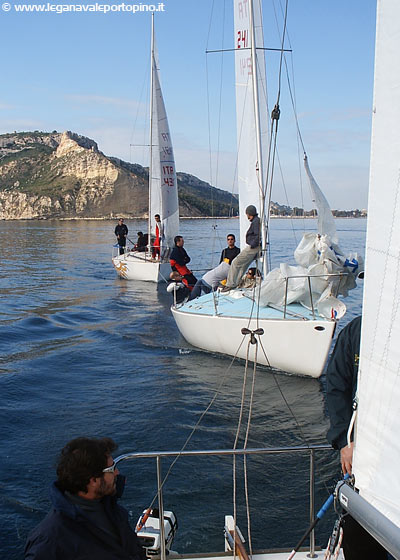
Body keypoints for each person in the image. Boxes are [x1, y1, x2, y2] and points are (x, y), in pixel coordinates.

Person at [24, 437, 146, 560]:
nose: (117, 473)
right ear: (93, 480)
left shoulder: (111, 507)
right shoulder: (50, 539)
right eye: (112, 469)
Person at [326, 316, 387, 560]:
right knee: (358, 532)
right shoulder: (356, 331)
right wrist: (345, 441)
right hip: (362, 455)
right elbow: (336, 386)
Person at [220, 205, 261, 292]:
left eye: (247, 214)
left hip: (254, 247)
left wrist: (252, 245)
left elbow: (257, 236)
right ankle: (236, 283)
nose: (247, 216)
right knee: (243, 265)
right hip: (256, 247)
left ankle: (230, 284)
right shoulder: (256, 221)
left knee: (235, 262)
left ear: (249, 214)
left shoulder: (256, 221)